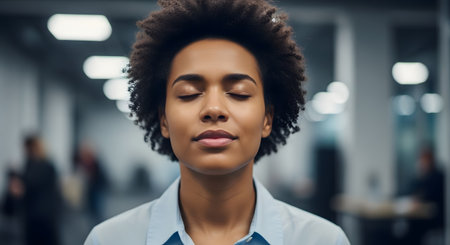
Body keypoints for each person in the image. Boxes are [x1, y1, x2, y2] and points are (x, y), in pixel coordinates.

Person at [85, 0, 350, 244]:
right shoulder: (108, 240)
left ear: (267, 118)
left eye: (238, 93)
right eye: (189, 94)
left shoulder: (324, 240)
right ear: (163, 119)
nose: (213, 109)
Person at [22, 135, 61, 245]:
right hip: (43, 214)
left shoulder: (39, 166)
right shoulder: (46, 165)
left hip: (40, 215)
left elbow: (28, 185)